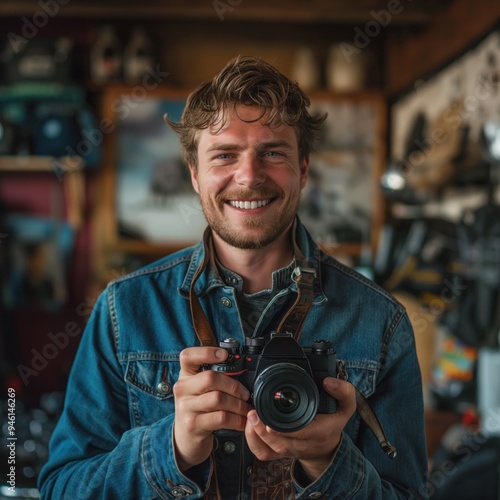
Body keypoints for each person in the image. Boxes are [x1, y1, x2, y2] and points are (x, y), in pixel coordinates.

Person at [38, 56, 428, 499]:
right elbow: (60, 489)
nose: (249, 176)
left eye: (273, 153)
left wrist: (327, 464)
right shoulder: (123, 310)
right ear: (194, 174)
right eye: (224, 155)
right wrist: (172, 449)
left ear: (303, 169)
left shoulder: (381, 323)